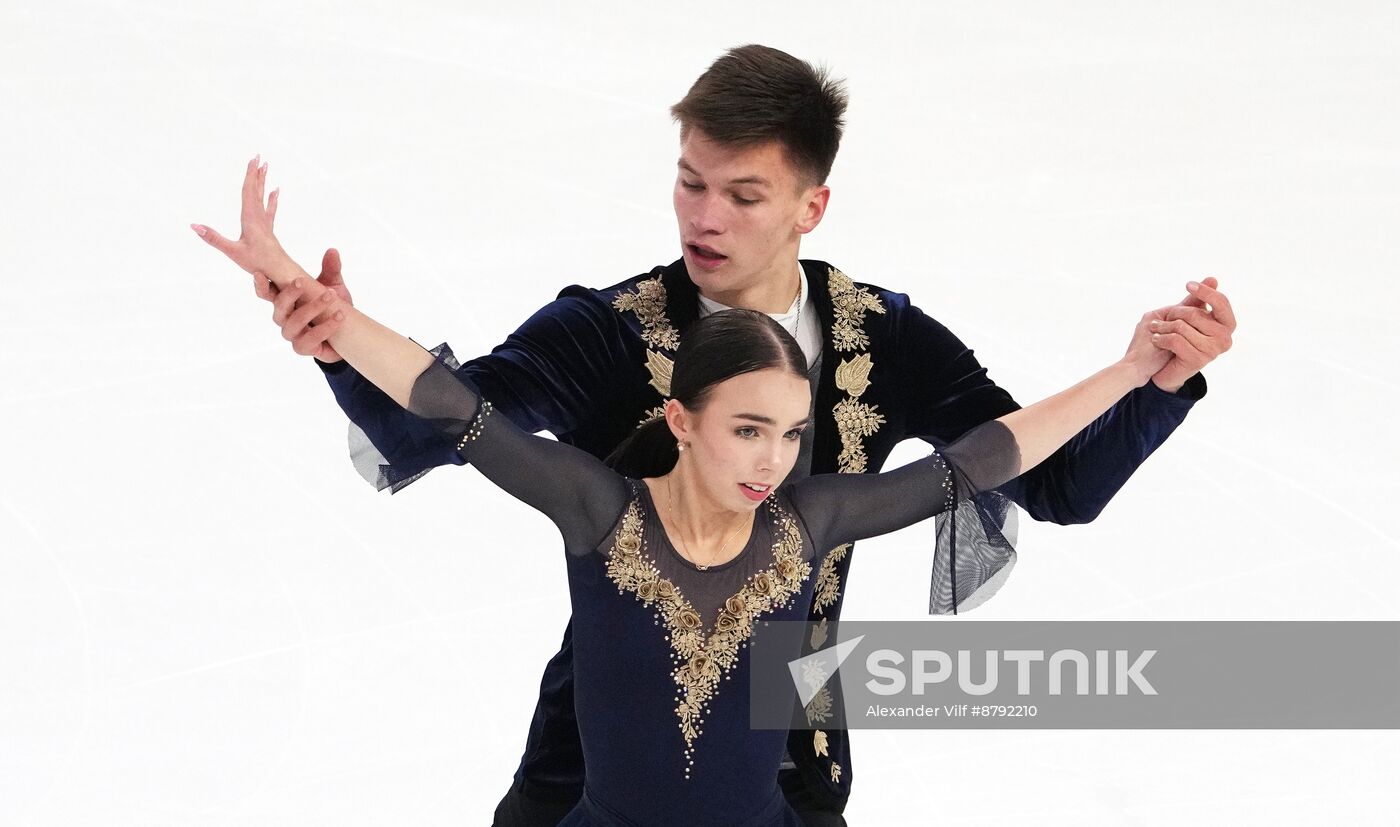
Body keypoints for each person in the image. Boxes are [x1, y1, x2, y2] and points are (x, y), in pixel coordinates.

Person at [193, 44, 1235, 825]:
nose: (706, 216)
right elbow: (452, 418)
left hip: (794, 746)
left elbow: (1044, 479)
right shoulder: (608, 329)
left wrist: (1154, 379)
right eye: (691, 180)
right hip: (596, 750)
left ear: (808, 205)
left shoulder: (887, 339)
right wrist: (335, 339)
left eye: (743, 194)